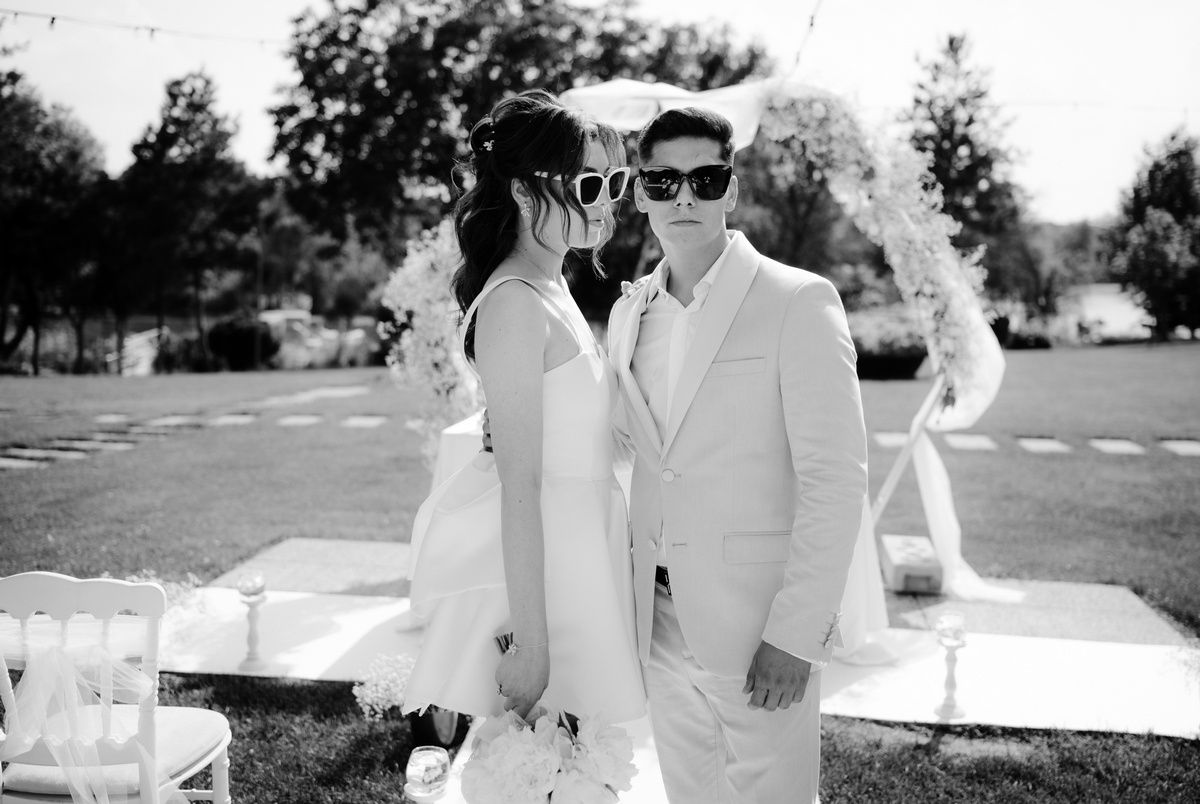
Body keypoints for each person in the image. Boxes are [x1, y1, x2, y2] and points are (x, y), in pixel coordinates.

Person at [606, 107, 868, 802]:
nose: (683, 196)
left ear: (732, 188)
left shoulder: (798, 300)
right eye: (662, 181)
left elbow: (836, 479)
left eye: (705, 178)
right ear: (640, 192)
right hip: (657, 618)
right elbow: (631, 448)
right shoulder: (630, 314)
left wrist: (797, 634)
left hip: (760, 628)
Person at [401, 90, 645, 726]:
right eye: (588, 184)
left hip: (584, 547)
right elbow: (521, 485)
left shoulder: (553, 283)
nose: (607, 199)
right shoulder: (515, 302)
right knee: (546, 761)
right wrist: (533, 644)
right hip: (551, 570)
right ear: (524, 192)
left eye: (615, 181)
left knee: (581, 760)